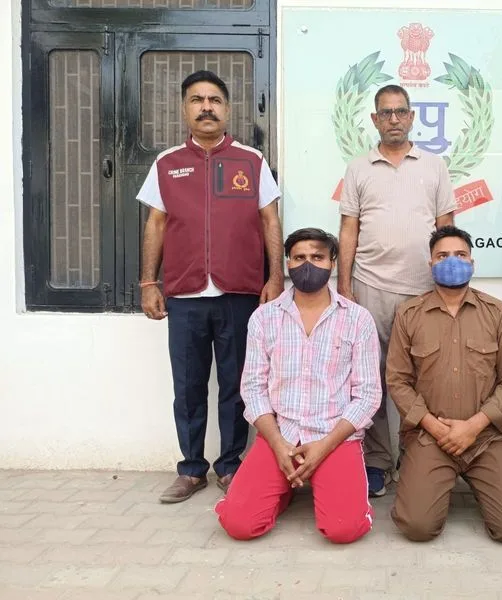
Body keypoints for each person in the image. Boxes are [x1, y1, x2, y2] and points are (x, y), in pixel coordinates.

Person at [138, 70, 285, 503]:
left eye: (215, 100)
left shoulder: (251, 160)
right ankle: (191, 469)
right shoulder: (166, 163)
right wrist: (148, 282)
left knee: (237, 385)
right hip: (184, 295)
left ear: (227, 109)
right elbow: (156, 224)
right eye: (197, 100)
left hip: (239, 292)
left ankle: (231, 466)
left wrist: (275, 277)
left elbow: (270, 220)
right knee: (188, 386)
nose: (207, 107)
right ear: (184, 109)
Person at [215, 228, 381, 544]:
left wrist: (326, 445)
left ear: (332, 263)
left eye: (317, 257)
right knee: (238, 524)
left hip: (334, 436)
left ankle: (338, 493)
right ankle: (284, 489)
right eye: (299, 257)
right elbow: (253, 387)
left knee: (343, 529)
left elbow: (368, 394)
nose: (308, 264)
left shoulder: (357, 319)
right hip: (281, 436)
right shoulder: (264, 318)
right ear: (288, 264)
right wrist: (277, 443)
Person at [338, 84, 457, 497]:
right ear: (375, 119)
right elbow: (348, 229)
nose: (393, 119)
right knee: (370, 377)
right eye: (385, 112)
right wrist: (344, 285)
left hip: (424, 289)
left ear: (411, 116)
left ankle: (417, 457)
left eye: (400, 111)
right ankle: (376, 461)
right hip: (370, 285)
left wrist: (446, 283)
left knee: (422, 377)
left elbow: (446, 228)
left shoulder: (434, 166)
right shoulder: (358, 168)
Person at [386, 226, 502, 543]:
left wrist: (474, 426)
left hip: (485, 437)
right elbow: (397, 380)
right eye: (442, 256)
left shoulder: (497, 313)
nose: (452, 261)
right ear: (430, 264)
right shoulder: (409, 314)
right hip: (430, 437)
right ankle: (419, 470)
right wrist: (435, 427)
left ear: (472, 262)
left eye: (460, 254)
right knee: (416, 527)